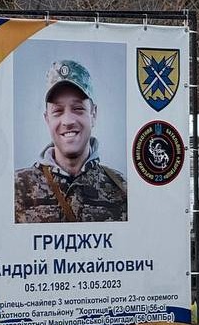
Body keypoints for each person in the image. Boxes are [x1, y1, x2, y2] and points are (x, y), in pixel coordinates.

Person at [14, 59, 127, 223]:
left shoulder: (123, 189)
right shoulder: (17, 188)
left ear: (94, 114)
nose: (67, 121)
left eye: (78, 109)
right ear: (47, 119)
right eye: (58, 111)